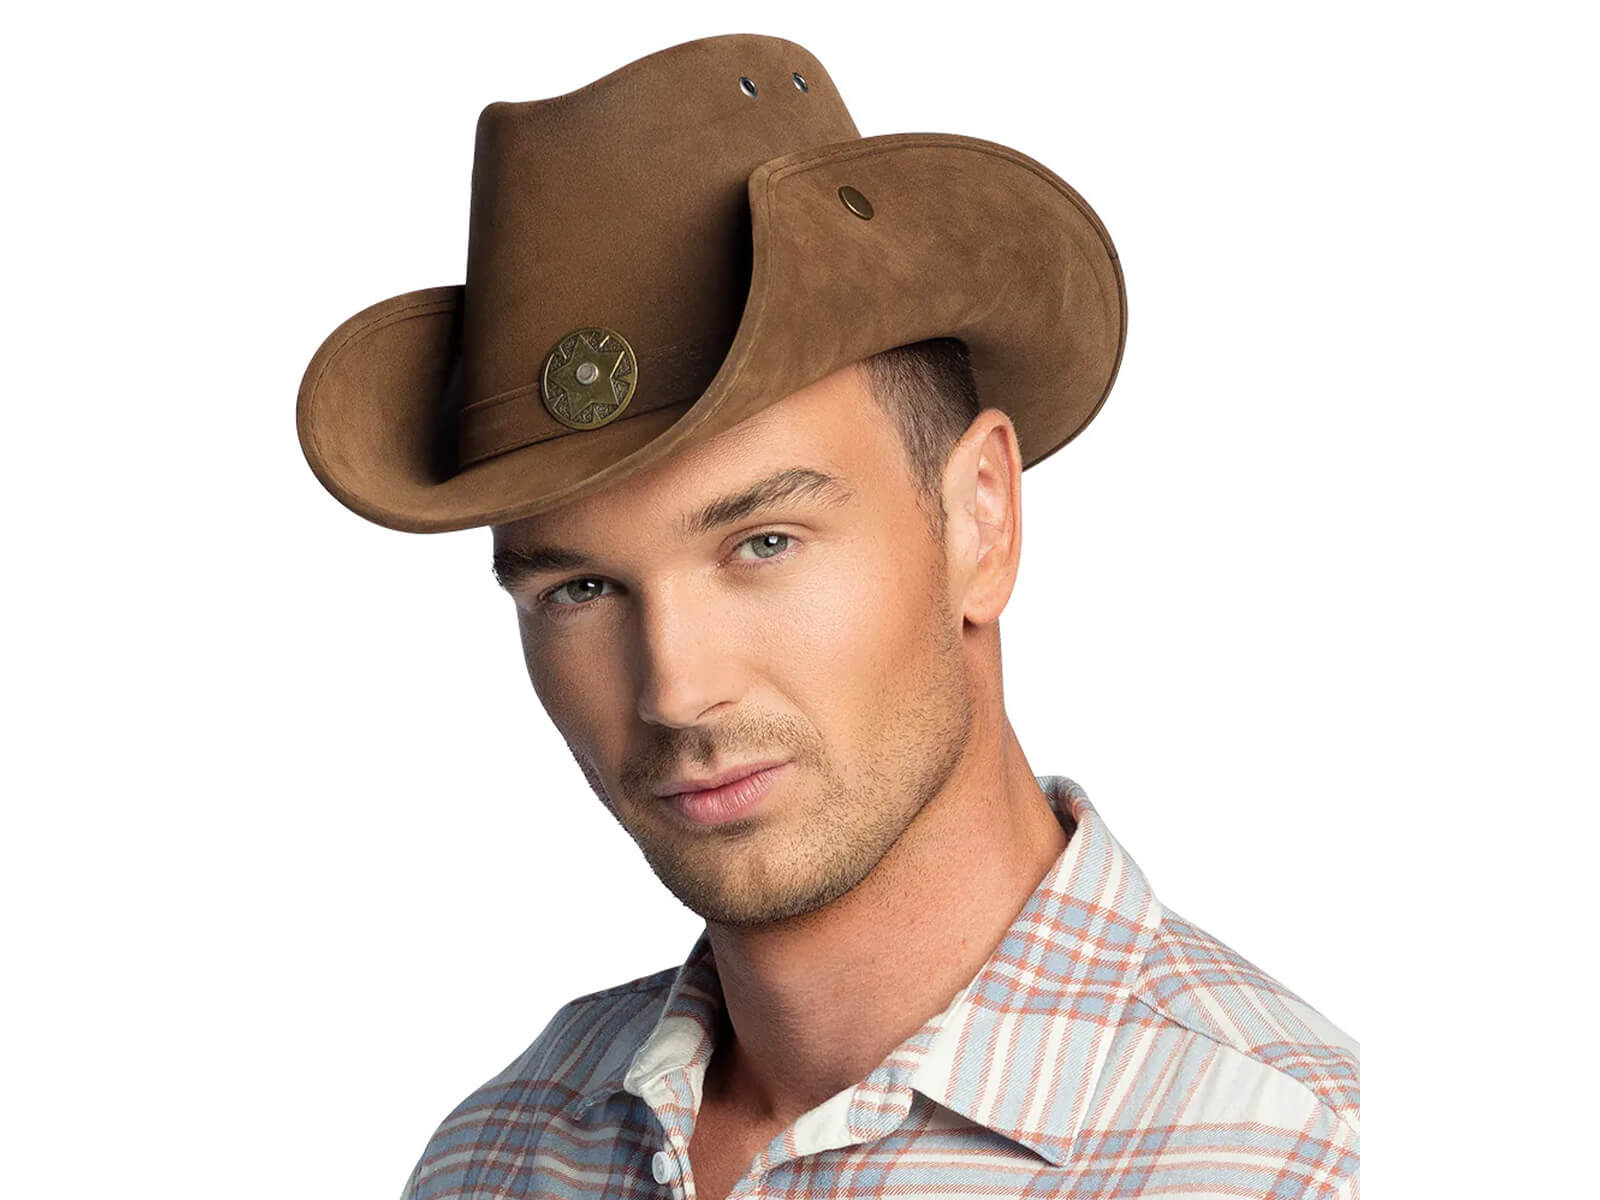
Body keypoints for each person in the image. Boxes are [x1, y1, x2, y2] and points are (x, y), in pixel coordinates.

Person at [297, 32, 1358, 1200]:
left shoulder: (1291, 1161)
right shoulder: (498, 1157)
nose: (677, 691)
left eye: (763, 543)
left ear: (980, 519)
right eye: (579, 588)